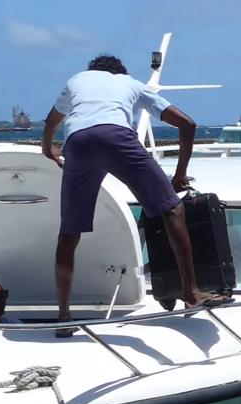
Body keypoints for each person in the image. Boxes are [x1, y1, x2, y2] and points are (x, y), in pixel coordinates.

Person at [42, 54, 217, 325]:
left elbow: (52, 121)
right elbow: (188, 124)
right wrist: (180, 174)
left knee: (69, 234)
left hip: (77, 144)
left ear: (93, 71)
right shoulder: (130, 83)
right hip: (116, 139)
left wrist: (48, 150)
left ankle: (63, 317)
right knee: (172, 209)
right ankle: (191, 292)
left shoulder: (76, 81)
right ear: (120, 73)